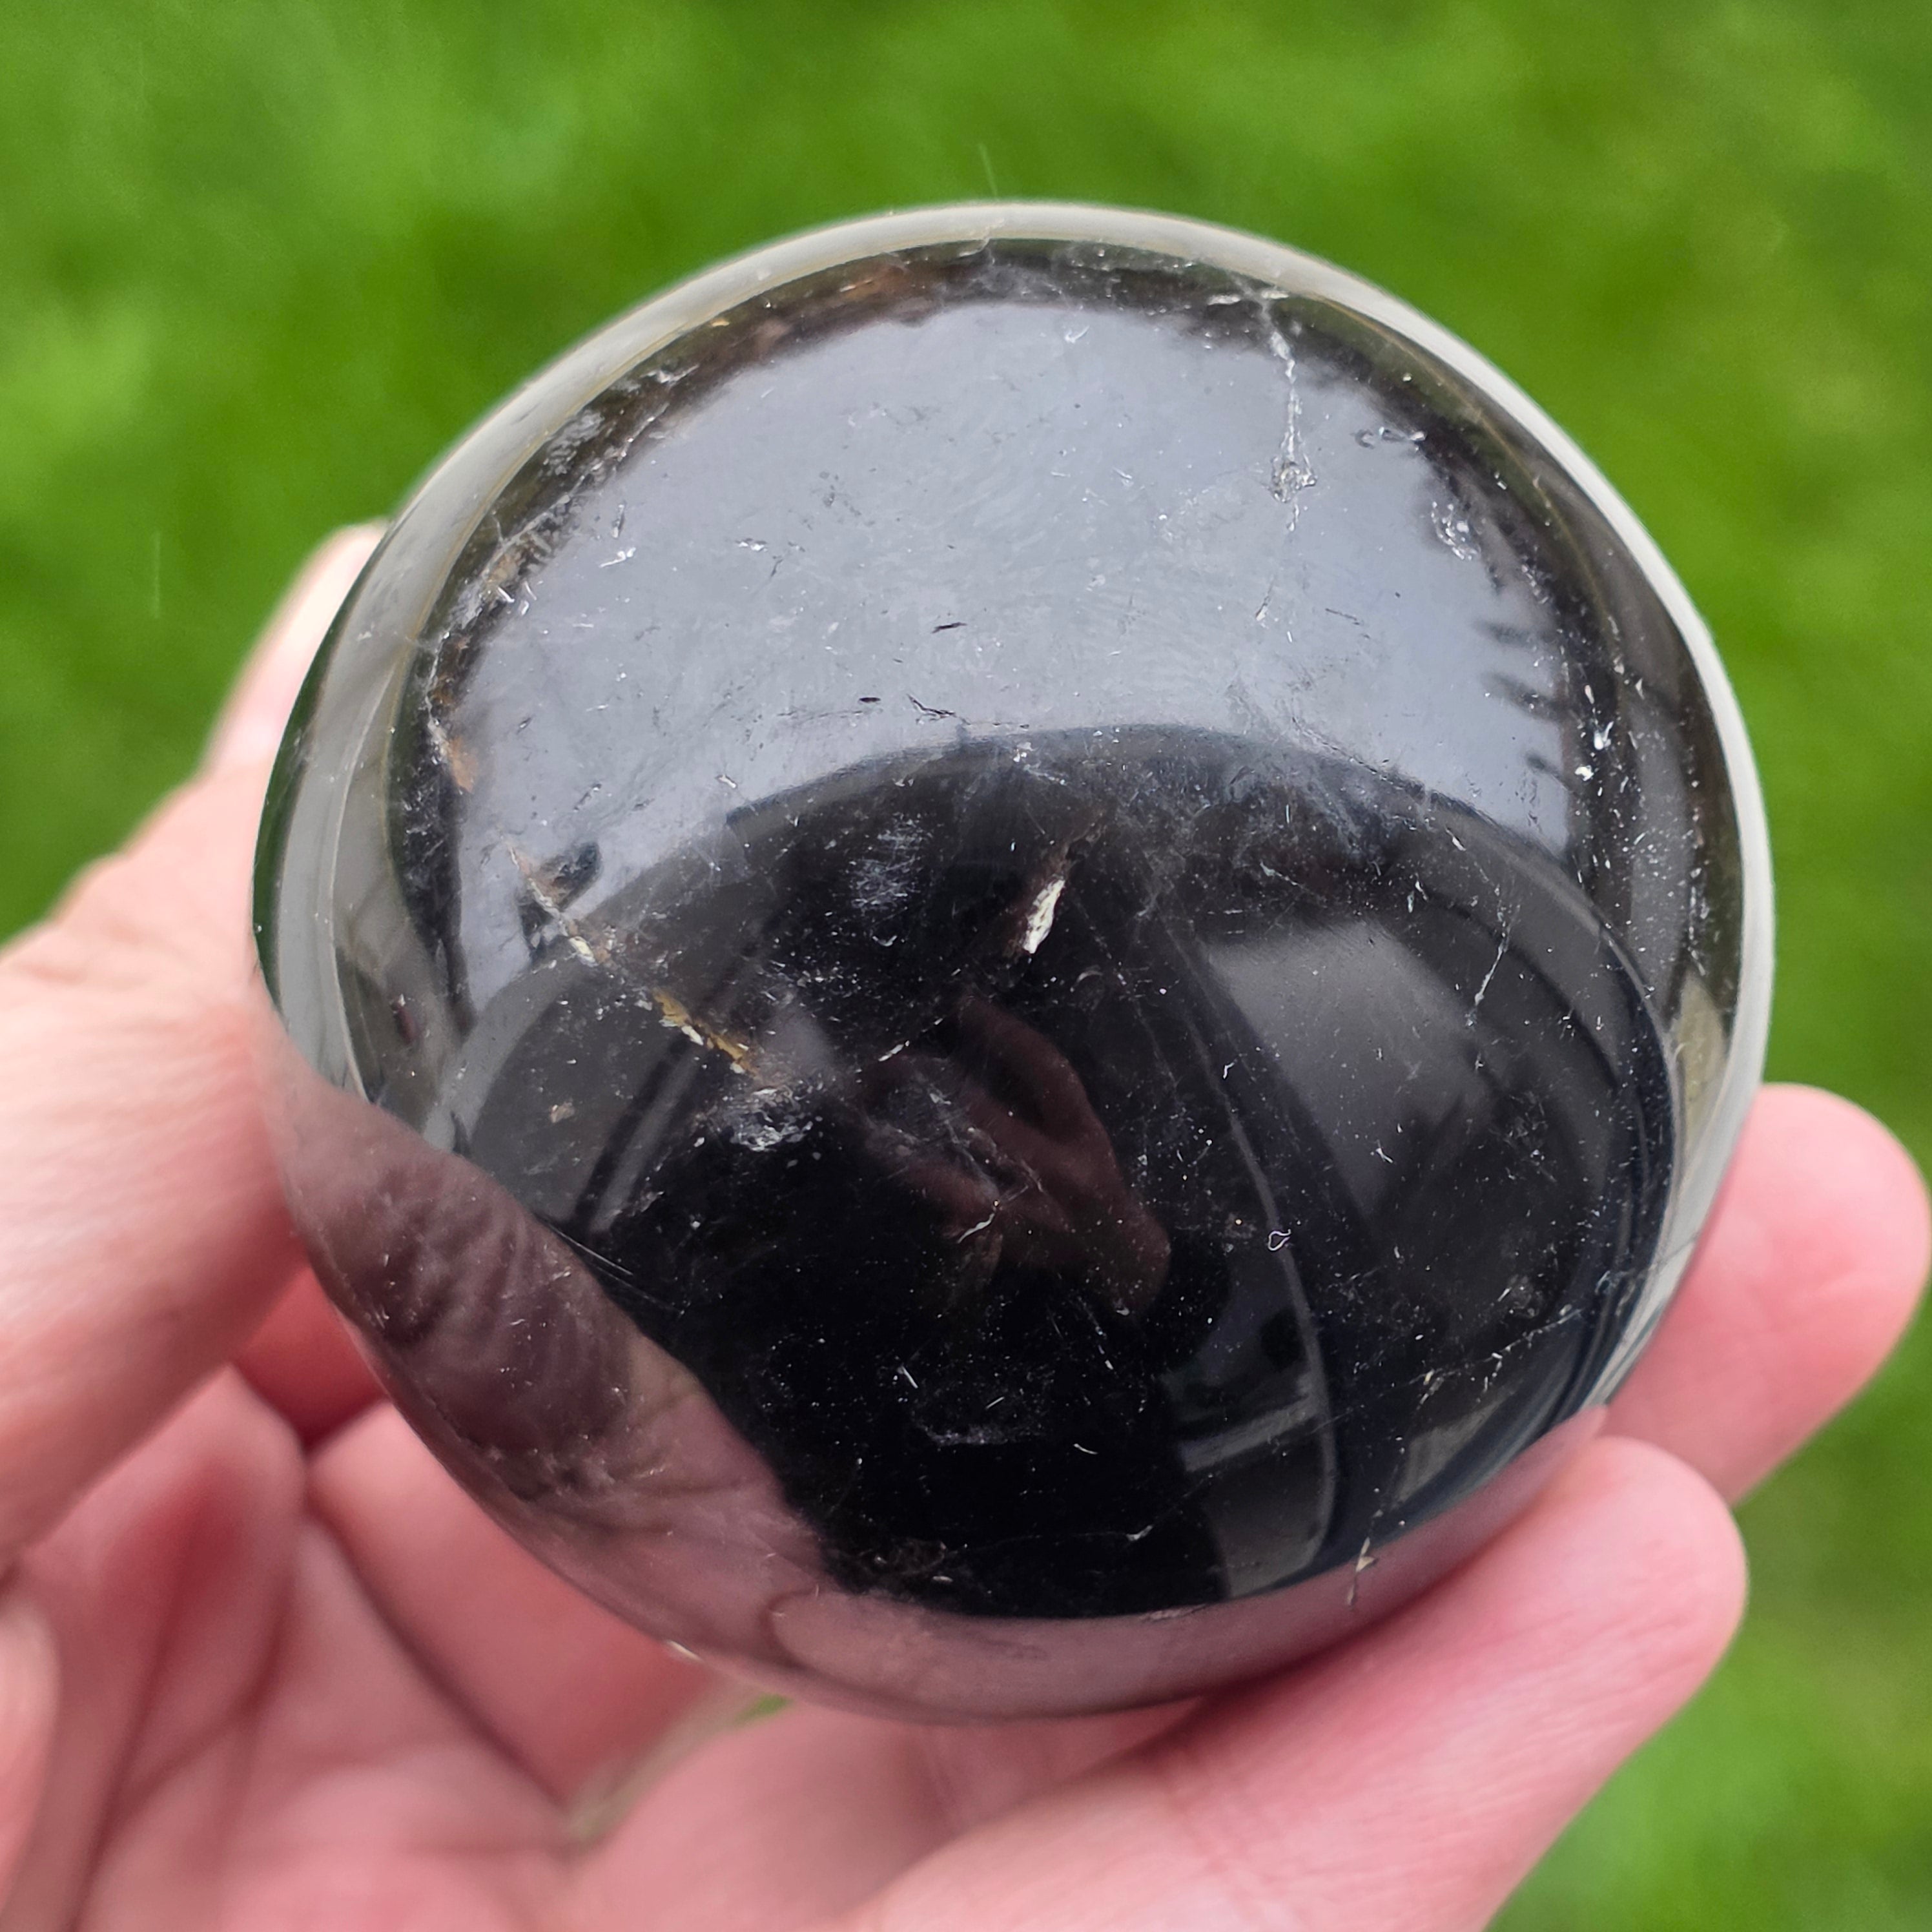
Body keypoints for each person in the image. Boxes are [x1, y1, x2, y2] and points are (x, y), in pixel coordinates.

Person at [0, 529, 1922, 1931]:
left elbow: (1203, 1463)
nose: (938, 1106)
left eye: (1003, 1055)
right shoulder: (666, 1170)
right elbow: (629, 1319)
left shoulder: (1184, 1228)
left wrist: (1129, 1261)